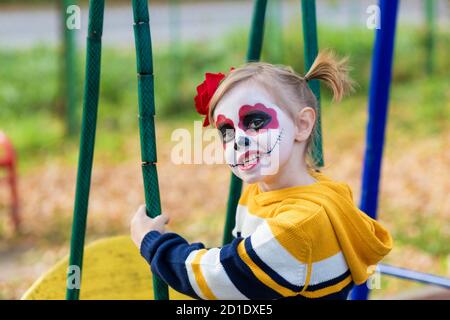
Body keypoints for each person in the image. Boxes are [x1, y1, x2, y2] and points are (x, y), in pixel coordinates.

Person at [130, 51, 393, 300]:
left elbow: (221, 275)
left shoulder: (299, 225)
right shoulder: (264, 189)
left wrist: (152, 243)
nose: (238, 141)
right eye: (227, 131)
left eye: (255, 123)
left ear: (302, 125)